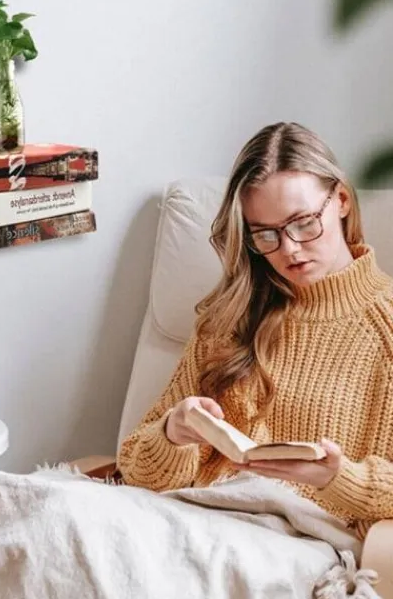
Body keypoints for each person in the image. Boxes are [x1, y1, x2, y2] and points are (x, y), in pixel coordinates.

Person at [116, 121, 393, 540]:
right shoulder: (230, 317)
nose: (289, 249)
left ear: (340, 200)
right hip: (190, 524)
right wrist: (172, 433)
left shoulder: (385, 329)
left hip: (295, 545)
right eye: (265, 234)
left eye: (303, 222)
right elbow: (135, 468)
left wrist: (337, 477)